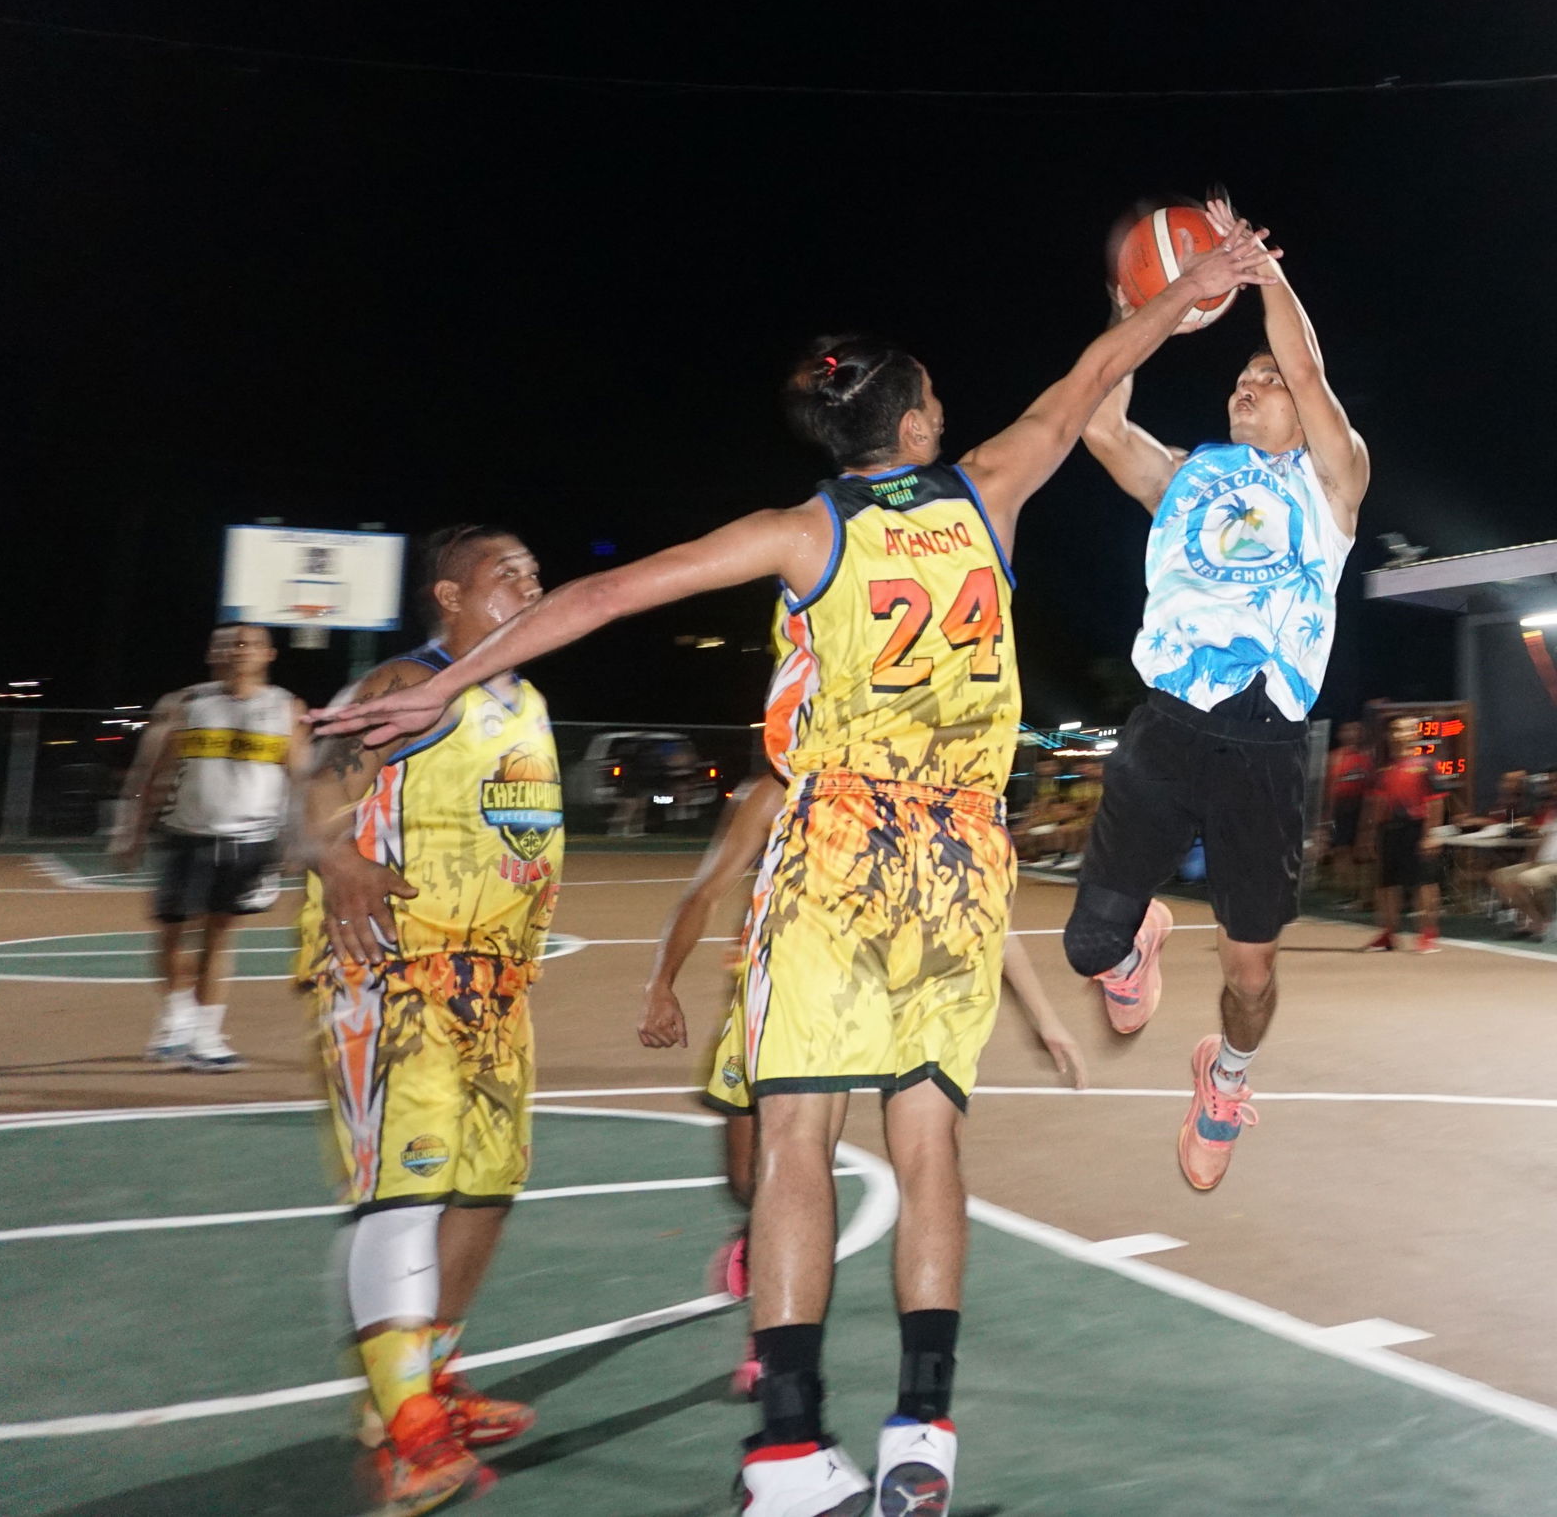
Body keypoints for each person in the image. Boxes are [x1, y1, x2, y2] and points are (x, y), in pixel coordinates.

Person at [312, 226, 1267, 1517]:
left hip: (836, 854)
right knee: (927, 1142)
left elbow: (600, 599)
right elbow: (1095, 371)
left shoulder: (798, 529)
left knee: (799, 1140)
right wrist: (1188, 292)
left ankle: (789, 1449)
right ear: (916, 420)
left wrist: (449, 678)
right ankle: (922, 1431)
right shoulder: (989, 484)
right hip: (955, 859)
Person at [1074, 201, 1369, 1192]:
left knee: (1251, 973)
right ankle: (1136, 943)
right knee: (1089, 944)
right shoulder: (1185, 477)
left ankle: (1226, 1078)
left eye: (1266, 377)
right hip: (1167, 726)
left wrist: (1259, 271)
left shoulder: (1331, 484)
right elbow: (1098, 421)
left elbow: (1309, 370)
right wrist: (1141, 309)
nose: (1251, 382)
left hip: (1267, 745)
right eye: (1242, 375)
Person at [638, 767, 1088, 1398]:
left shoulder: (917, 787)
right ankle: (757, 1238)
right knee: (748, 1180)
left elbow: (980, 913)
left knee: (807, 1159)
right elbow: (706, 891)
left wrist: (1045, 1019)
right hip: (773, 996)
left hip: (856, 999)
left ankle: (769, 1342)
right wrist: (661, 984)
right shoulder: (775, 794)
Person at [300, 526, 556, 1517]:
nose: (531, 583)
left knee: (486, 1188)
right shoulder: (410, 682)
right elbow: (312, 780)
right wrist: (337, 858)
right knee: (405, 1191)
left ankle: (429, 1377)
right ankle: (405, 1428)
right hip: (399, 972)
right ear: (450, 595)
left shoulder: (524, 699)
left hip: (493, 988)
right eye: (507, 573)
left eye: (536, 572)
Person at [111, 624, 307, 1070]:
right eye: (227, 645)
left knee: (220, 934)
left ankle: (207, 1036)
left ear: (268, 654)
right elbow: (147, 772)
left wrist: (299, 838)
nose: (237, 651)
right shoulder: (184, 704)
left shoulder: (286, 708)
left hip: (250, 839)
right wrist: (131, 830)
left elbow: (300, 780)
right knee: (173, 933)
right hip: (187, 834)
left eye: (248, 644)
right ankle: (176, 1017)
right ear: (210, 654)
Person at [1361, 718, 1444, 953]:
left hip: (1417, 830)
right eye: (1395, 730)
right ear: (1390, 735)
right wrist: (1370, 836)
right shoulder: (1383, 770)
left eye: (1405, 730)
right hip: (1389, 831)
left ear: (1414, 734)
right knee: (1387, 885)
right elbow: (1377, 805)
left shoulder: (1427, 765)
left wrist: (1431, 835)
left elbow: (1436, 803)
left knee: (1424, 884)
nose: (1399, 734)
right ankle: (1389, 935)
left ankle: (1427, 934)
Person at [1487, 774, 1557, 940]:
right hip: (1542, 862)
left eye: (1554, 782)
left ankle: (1547, 920)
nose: (1552, 786)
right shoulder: (1550, 810)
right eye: (1550, 782)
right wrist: (1530, 861)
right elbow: (1541, 838)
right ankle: (1537, 921)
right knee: (1500, 877)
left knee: (1527, 879)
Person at [1322, 719, 1374, 902]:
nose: (1351, 734)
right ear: (1340, 734)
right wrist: (1327, 817)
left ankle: (1363, 896)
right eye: (1347, 730)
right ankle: (1348, 893)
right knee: (1341, 851)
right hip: (1341, 809)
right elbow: (1329, 789)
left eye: (1355, 730)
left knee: (1363, 852)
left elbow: (1372, 787)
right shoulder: (1334, 758)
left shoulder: (1367, 757)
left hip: (1361, 808)